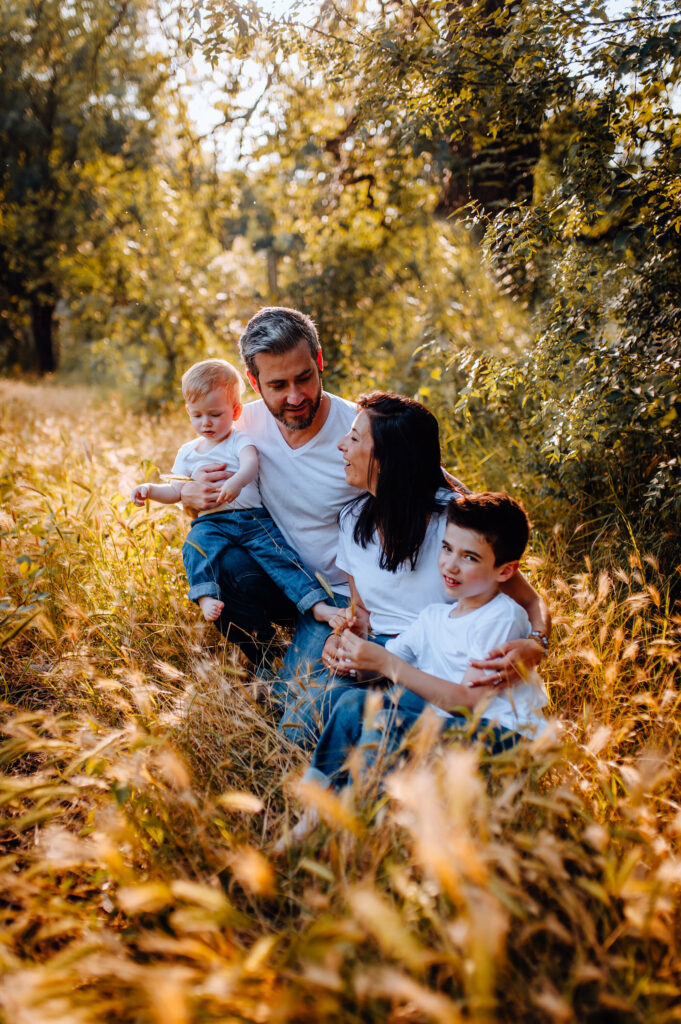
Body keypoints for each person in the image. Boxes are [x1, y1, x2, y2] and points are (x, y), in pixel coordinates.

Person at [277, 392, 551, 748]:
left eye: (356, 438)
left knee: (392, 740)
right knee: (297, 730)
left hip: (444, 665)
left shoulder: (456, 522)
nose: (342, 445)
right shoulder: (352, 521)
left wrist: (537, 644)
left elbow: (532, 601)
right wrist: (341, 639)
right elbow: (361, 612)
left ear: (389, 458)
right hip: (380, 654)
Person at [305, 491, 548, 797]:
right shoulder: (433, 617)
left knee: (387, 724)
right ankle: (313, 807)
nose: (450, 565)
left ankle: (351, 812)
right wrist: (354, 654)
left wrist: (385, 663)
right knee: (352, 705)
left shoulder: (502, 616)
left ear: (505, 571)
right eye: (447, 548)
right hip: (450, 724)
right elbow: (378, 668)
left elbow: (468, 703)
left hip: (502, 735)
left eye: (469, 557)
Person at [179, 308, 359, 671]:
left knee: (302, 708)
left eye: (304, 378)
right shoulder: (238, 425)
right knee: (222, 561)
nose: (295, 397)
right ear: (254, 380)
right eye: (277, 386)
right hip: (277, 578)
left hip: (340, 593)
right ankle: (268, 655)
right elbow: (203, 505)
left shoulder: (359, 428)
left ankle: (298, 662)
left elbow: (440, 489)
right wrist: (188, 497)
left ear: (319, 360)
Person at [130, 358, 336, 625]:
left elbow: (250, 464)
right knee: (194, 546)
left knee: (280, 556)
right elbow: (175, 491)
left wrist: (237, 482)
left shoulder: (239, 439)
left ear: (235, 411)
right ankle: (205, 595)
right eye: (197, 415)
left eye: (215, 414)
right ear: (188, 411)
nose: (206, 423)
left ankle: (315, 604)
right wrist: (148, 490)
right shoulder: (188, 452)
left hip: (252, 519)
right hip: (211, 522)